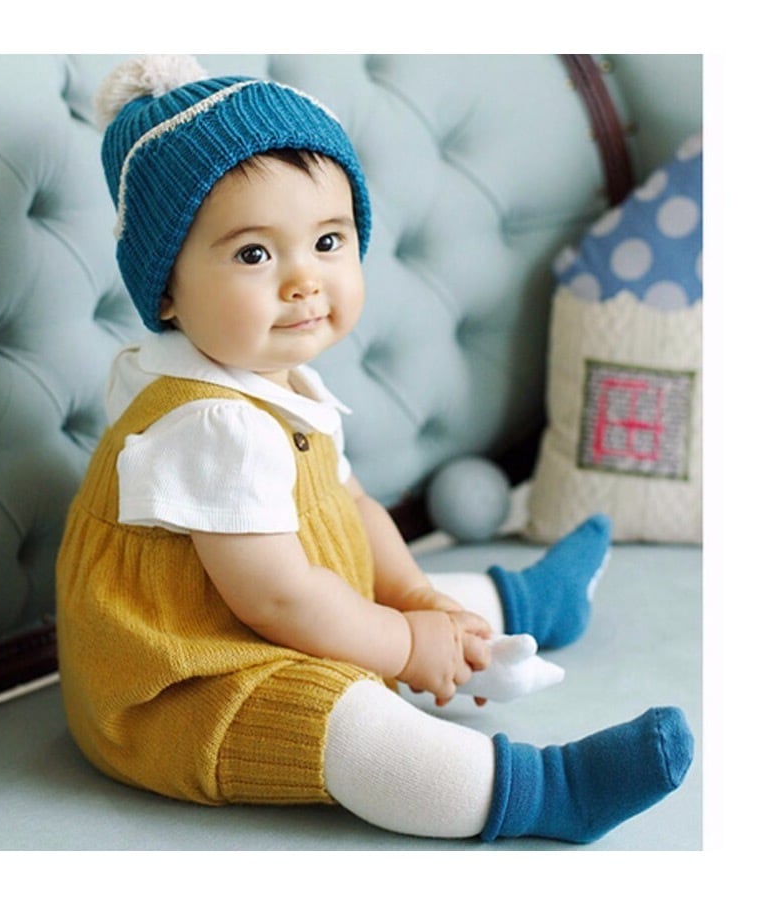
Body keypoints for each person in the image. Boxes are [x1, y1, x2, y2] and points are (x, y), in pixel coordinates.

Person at [56, 55, 693, 843]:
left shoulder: (280, 380)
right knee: (348, 723)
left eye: (327, 240)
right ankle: (547, 791)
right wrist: (405, 644)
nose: (302, 280)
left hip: (265, 617)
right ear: (166, 291)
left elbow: (352, 507)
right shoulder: (211, 425)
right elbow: (279, 600)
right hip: (187, 679)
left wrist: (417, 601)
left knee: (400, 593)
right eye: (254, 254)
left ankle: (532, 604)